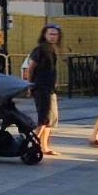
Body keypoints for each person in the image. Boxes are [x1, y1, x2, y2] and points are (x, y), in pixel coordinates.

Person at [27, 24, 63, 156]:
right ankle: (30, 144)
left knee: (50, 119)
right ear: (45, 35)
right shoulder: (40, 49)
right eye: (51, 34)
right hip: (41, 87)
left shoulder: (52, 50)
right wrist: (30, 85)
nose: (53, 37)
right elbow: (30, 68)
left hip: (49, 88)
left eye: (55, 34)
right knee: (43, 118)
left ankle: (44, 146)